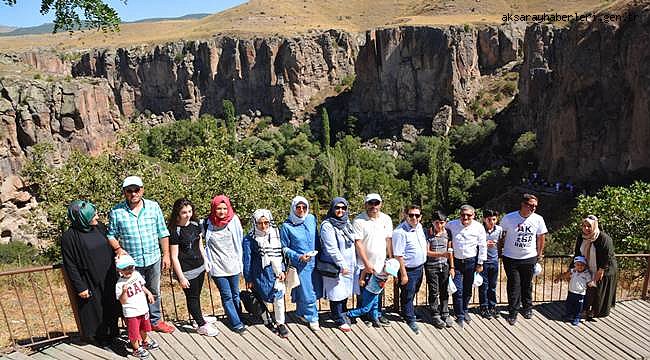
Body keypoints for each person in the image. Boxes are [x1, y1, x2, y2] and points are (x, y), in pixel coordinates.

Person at [107, 176, 175, 333]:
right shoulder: (117, 211)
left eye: (136, 190)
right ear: (124, 192)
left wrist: (166, 255)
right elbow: (111, 235)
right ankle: (137, 324)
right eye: (129, 191)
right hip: (131, 264)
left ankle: (155, 321)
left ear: (142, 190)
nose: (133, 194)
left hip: (153, 258)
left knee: (154, 290)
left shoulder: (153, 206)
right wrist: (118, 249)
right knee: (133, 293)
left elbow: (162, 232)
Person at [61, 200, 120, 345]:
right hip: (90, 279)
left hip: (109, 276)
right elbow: (70, 265)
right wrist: (80, 287)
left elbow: (111, 246)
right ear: (82, 218)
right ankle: (101, 340)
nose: (97, 217)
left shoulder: (99, 227)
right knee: (96, 310)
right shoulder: (69, 237)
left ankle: (113, 335)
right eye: (93, 215)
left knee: (111, 306)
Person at [168, 198, 218, 337]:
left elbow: (199, 245)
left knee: (197, 295)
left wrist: (206, 260)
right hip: (186, 270)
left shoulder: (196, 225)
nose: (188, 215)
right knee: (192, 298)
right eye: (184, 212)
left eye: (190, 211)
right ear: (177, 213)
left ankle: (198, 318)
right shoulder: (174, 231)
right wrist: (181, 277)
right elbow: (174, 257)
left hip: (200, 266)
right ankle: (201, 325)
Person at [500, 193, 548, 325]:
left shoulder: (538, 219)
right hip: (511, 257)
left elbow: (541, 237)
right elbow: (501, 235)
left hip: (529, 257)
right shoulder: (509, 218)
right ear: (523, 204)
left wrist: (539, 253)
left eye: (535, 206)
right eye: (531, 205)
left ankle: (527, 308)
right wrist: (499, 251)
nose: (533, 208)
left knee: (527, 284)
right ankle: (513, 312)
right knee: (514, 285)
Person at [242, 209, 289, 338]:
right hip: (260, 273)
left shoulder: (275, 234)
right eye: (260, 223)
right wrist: (248, 277)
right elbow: (247, 260)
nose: (263, 226)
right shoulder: (249, 239)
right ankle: (267, 320)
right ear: (255, 223)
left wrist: (282, 270)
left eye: (266, 223)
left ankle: (280, 323)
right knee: (260, 297)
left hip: (275, 272)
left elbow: (281, 254)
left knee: (278, 298)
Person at [203, 195, 246, 333]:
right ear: (213, 208)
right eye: (218, 208)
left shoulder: (234, 220)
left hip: (233, 264)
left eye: (224, 208)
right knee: (226, 295)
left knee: (235, 294)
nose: (222, 212)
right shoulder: (206, 223)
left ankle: (238, 316)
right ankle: (236, 322)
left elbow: (240, 240)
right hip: (217, 266)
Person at [280, 196, 321, 331]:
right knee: (308, 291)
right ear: (293, 208)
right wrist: (298, 256)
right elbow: (284, 247)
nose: (301, 210)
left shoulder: (311, 219)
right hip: (301, 264)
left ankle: (301, 312)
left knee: (311, 289)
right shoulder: (287, 226)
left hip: (316, 261)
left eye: (304, 207)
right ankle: (313, 317)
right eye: (298, 207)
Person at [352, 193, 393, 326]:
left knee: (378, 292)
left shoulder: (386, 219)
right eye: (371, 203)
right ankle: (365, 316)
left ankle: (377, 314)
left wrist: (391, 259)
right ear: (366, 204)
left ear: (380, 204)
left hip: (381, 264)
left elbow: (388, 240)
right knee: (364, 292)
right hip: (364, 264)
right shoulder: (358, 220)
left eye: (376, 203)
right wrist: (366, 263)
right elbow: (358, 243)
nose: (373, 206)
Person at [320, 197, 358, 332]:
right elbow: (331, 248)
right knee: (336, 292)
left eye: (343, 208)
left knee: (345, 291)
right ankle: (338, 318)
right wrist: (342, 264)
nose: (340, 210)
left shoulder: (346, 222)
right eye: (337, 207)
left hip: (349, 264)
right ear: (332, 208)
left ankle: (344, 313)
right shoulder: (327, 225)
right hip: (336, 265)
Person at [446, 204, 487, 328]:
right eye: (463, 215)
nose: (465, 217)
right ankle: (459, 315)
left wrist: (480, 263)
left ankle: (465, 310)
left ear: (473, 216)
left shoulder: (479, 227)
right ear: (460, 214)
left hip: (471, 261)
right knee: (457, 290)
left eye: (468, 215)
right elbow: (442, 231)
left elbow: (482, 246)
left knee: (468, 289)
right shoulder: (451, 225)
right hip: (456, 262)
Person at [115, 254, 160, 359]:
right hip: (131, 312)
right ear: (119, 270)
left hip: (142, 308)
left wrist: (148, 293)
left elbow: (142, 286)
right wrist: (124, 291)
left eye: (130, 267)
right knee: (134, 331)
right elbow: (123, 301)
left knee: (144, 327)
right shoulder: (119, 284)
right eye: (125, 269)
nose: (129, 270)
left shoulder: (136, 275)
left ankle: (145, 341)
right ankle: (136, 349)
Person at [573, 215, 618, 318]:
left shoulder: (603, 238)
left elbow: (607, 255)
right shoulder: (581, 237)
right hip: (588, 266)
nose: (586, 229)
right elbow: (577, 253)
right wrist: (574, 266)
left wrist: (601, 270)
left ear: (594, 226)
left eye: (589, 226)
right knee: (588, 288)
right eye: (584, 226)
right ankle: (584, 308)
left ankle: (596, 311)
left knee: (599, 291)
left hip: (604, 268)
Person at [392, 204, 427, 334]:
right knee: (407, 294)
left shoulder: (419, 227)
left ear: (420, 217)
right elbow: (398, 255)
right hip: (408, 269)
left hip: (419, 267)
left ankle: (408, 310)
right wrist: (404, 274)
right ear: (406, 215)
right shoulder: (400, 232)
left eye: (417, 215)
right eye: (411, 215)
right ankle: (409, 318)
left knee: (414, 291)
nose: (414, 218)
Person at [345, 259, 400, 327]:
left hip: (376, 292)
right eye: (389, 271)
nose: (389, 273)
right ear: (385, 265)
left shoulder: (388, 271)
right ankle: (349, 314)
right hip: (369, 291)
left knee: (375, 307)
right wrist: (362, 279)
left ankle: (375, 319)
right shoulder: (378, 268)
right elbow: (365, 270)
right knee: (365, 308)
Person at [424, 210, 453, 329]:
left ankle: (445, 312)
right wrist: (441, 254)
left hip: (445, 266)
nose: (439, 226)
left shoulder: (448, 233)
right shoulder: (428, 234)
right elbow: (427, 252)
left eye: (442, 223)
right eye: (437, 223)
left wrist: (452, 266)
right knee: (434, 290)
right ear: (433, 222)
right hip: (432, 266)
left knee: (444, 290)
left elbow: (450, 251)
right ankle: (435, 313)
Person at [479, 209, 502, 319]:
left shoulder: (499, 230)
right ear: (484, 219)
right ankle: (483, 307)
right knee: (484, 286)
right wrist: (484, 244)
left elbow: (501, 243)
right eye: (489, 219)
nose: (492, 222)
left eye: (494, 219)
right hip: (483, 261)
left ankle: (492, 306)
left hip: (494, 261)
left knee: (492, 286)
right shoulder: (480, 230)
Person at [563, 256, 594, 326]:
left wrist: (591, 284)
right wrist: (559, 278)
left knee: (578, 307)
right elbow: (566, 275)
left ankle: (576, 318)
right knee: (569, 305)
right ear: (575, 265)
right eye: (578, 265)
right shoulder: (573, 271)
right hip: (571, 292)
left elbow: (589, 282)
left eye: (582, 265)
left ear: (585, 265)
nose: (580, 266)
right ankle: (568, 315)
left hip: (580, 294)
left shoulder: (587, 273)